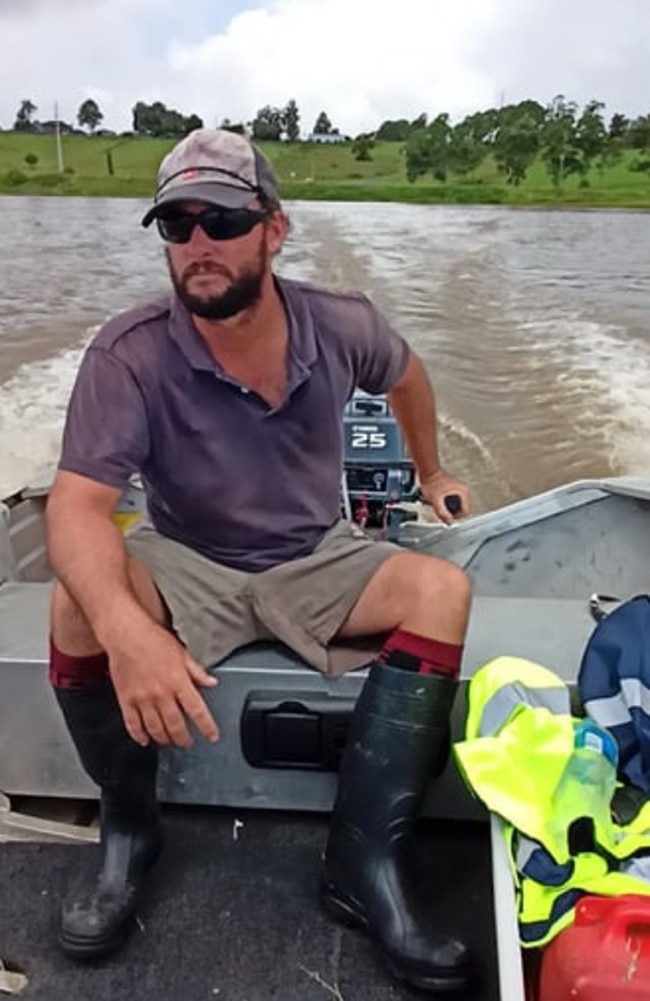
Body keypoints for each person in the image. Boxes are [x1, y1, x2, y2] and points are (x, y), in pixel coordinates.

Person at [46, 127, 472, 993]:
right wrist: (129, 632)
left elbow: (409, 375)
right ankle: (130, 828)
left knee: (442, 589)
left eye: (223, 219)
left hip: (314, 555)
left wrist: (432, 470)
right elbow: (78, 506)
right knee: (74, 605)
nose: (198, 243)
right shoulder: (127, 354)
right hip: (187, 560)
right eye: (177, 224)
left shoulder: (342, 323)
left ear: (273, 228)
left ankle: (364, 864)